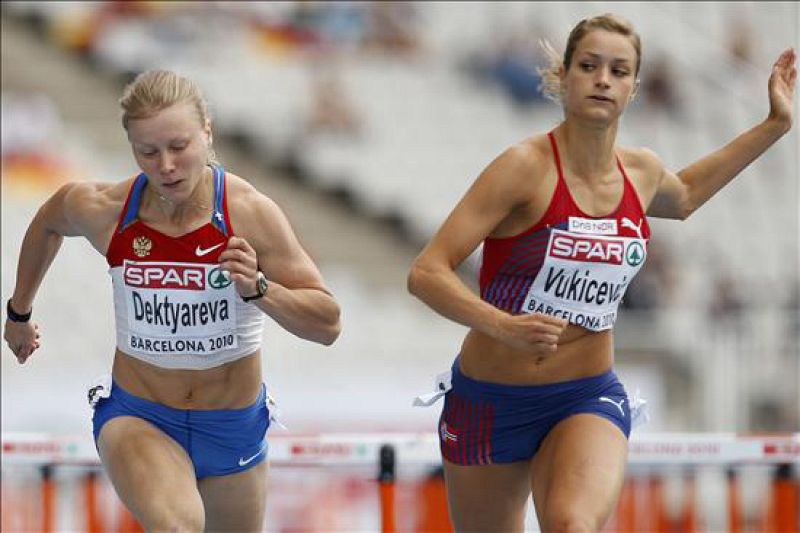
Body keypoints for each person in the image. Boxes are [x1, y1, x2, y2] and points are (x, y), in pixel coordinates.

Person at [407, 13, 795, 531]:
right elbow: (427, 271)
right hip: (491, 399)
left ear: (634, 87)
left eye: (619, 70)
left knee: (573, 524)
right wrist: (503, 325)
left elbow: (685, 197)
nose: (603, 80)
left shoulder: (642, 171)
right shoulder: (523, 167)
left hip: (584, 393)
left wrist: (774, 126)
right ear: (563, 76)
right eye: (589, 66)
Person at [3, 69, 342, 532]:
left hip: (231, 425)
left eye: (179, 147)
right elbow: (48, 221)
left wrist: (260, 288)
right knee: (178, 526)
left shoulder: (248, 213)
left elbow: (328, 324)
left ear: (207, 134)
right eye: (149, 152)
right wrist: (18, 312)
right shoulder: (106, 209)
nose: (165, 165)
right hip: (140, 414)